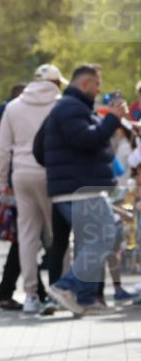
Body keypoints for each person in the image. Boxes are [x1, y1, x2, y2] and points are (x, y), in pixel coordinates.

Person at [43, 64, 127, 315]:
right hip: (80, 189)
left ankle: (87, 299)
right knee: (103, 238)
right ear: (86, 83)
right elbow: (85, 139)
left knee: (92, 242)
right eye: (97, 84)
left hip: (77, 187)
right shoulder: (71, 108)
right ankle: (66, 287)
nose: (99, 89)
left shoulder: (72, 108)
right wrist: (112, 119)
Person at [0, 64, 64, 314]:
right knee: (59, 236)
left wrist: (2, 183)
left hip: (22, 174)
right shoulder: (61, 104)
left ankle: (32, 295)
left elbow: (2, 149)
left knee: (27, 236)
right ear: (56, 82)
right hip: (53, 174)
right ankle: (60, 292)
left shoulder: (13, 107)